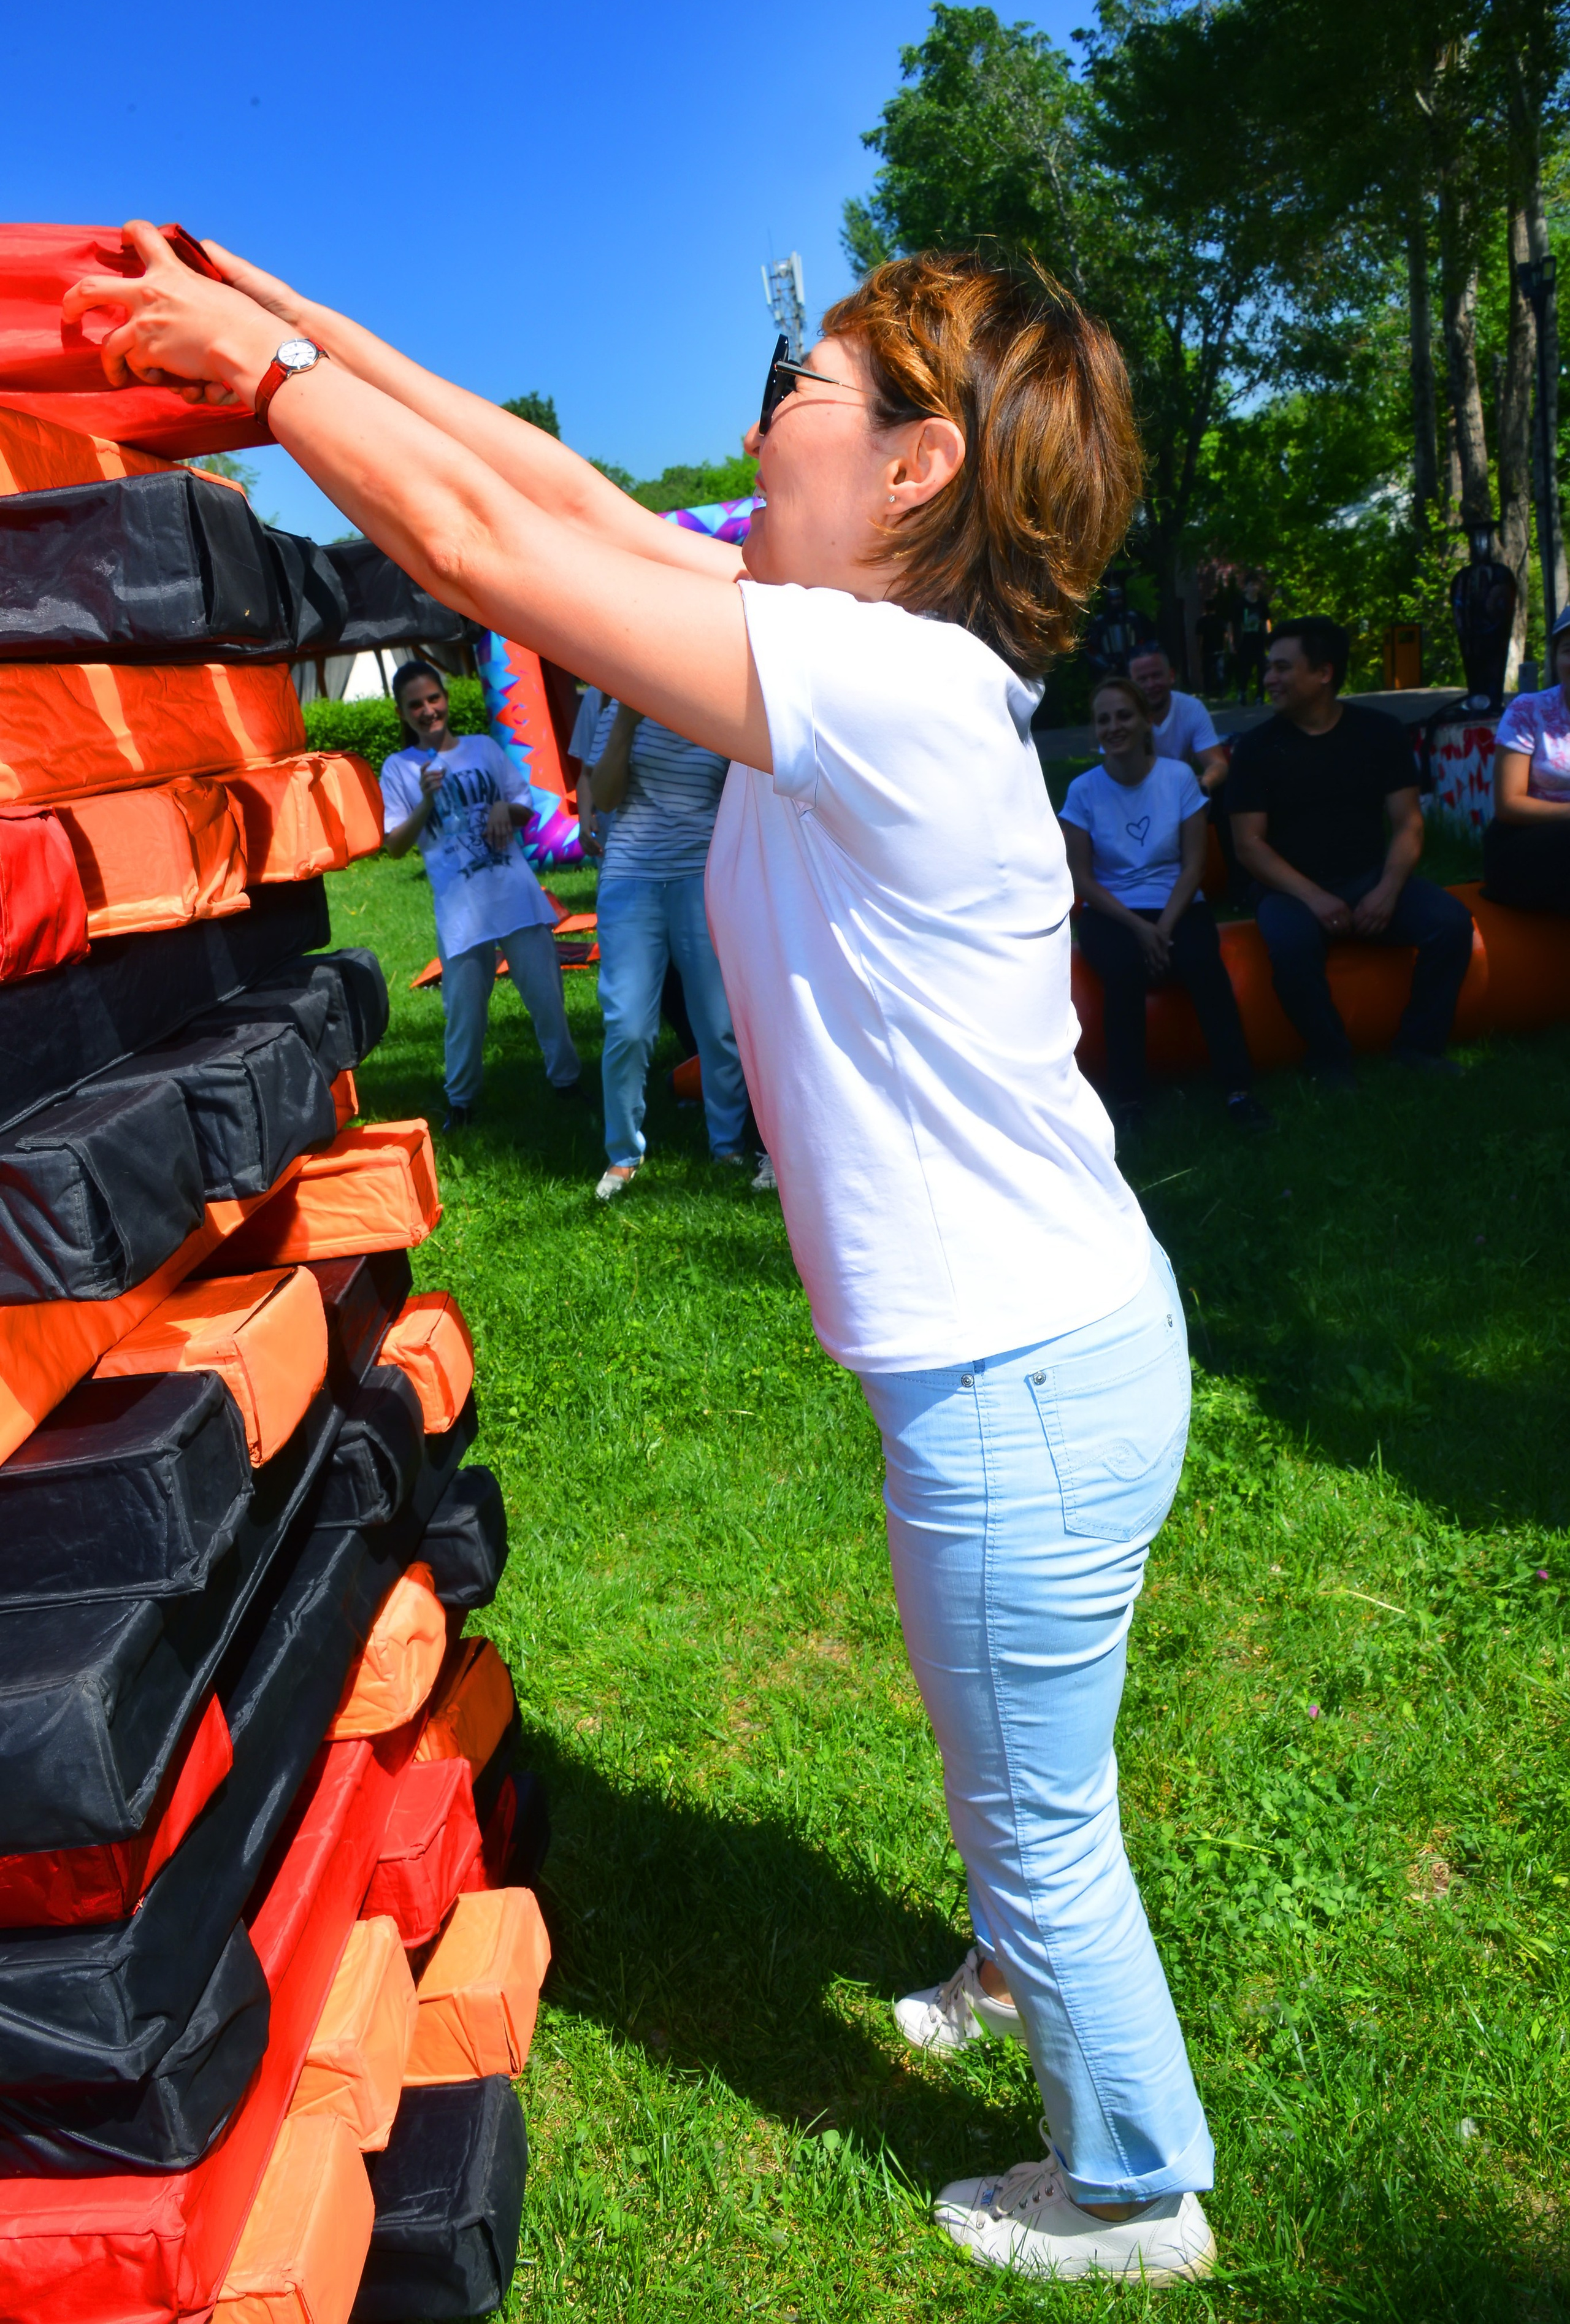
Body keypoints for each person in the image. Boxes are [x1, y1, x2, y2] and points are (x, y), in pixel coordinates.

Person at [80, 225, 1222, 2285]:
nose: (773, 399)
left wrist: (258, 375)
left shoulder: (876, 682)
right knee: (1013, 1745)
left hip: (1027, 1378)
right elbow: (557, 505)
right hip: (1039, 1354)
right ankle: (1000, 1960)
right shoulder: (833, 632)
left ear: (917, 468)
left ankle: (1135, 2179)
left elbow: (493, 557)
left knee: (1046, 1809)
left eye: (815, 379)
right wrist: (298, 319)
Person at [1227, 618, 1474, 1084]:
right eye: (1268, 668)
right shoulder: (1256, 749)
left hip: (1367, 876)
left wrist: (1386, 890)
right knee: (1291, 946)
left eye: (1282, 668)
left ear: (1323, 673)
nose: (1268, 679)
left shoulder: (1379, 733)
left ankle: (1419, 1048)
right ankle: (1331, 1058)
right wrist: (1314, 898)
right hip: (1288, 888)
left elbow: (1408, 824)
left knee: (1452, 924)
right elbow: (1249, 846)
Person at [1062, 678, 1269, 1137]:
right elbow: (1082, 878)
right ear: (1096, 730)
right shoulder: (1083, 791)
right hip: (1114, 911)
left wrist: (1164, 928)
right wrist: (1140, 929)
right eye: (1104, 719)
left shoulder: (1177, 777)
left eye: (1124, 716)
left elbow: (1195, 866)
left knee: (1204, 967)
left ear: (1144, 722)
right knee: (1122, 974)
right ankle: (1130, 1100)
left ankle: (1239, 1091)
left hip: (1176, 903)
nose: (1114, 726)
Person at [379, 661, 580, 1127]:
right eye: (416, 705)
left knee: (547, 998)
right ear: (402, 714)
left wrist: (501, 808)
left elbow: (526, 807)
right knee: (464, 1014)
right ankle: (462, 1104)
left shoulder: (484, 749)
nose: (428, 711)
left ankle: (568, 1084)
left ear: (445, 697)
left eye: (434, 698)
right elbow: (394, 846)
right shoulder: (399, 769)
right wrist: (426, 800)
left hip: (515, 897)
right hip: (462, 911)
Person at [578, 698, 751, 1200]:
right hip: (631, 877)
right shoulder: (624, 707)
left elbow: (738, 805)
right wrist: (627, 724)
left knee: (718, 1025)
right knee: (627, 1025)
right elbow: (605, 799)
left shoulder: (716, 711)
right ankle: (623, 1154)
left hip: (703, 876)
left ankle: (728, 1146)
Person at [1482, 605, 1570, 913]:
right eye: (1568, 650)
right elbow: (1508, 805)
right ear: (1556, 658)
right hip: (1522, 844)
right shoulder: (1528, 710)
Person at [1128, 641, 1228, 788]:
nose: (1150, 685)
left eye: (1156, 675)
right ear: (1131, 684)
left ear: (1171, 676)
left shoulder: (1191, 708)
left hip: (1181, 790)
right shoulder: (1121, 715)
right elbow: (1116, 771)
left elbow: (1218, 764)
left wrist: (1204, 784)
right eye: (1142, 680)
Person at [1231, 570, 1271, 703]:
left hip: (1259, 640)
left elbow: (1266, 621)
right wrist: (1232, 642)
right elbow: (1233, 624)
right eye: (1251, 585)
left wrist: (1270, 639)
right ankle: (1242, 692)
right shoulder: (1240, 604)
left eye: (1256, 585)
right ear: (1246, 587)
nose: (1254, 588)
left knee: (1262, 668)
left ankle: (1260, 696)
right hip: (1245, 641)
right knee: (1245, 669)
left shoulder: (1262, 603)